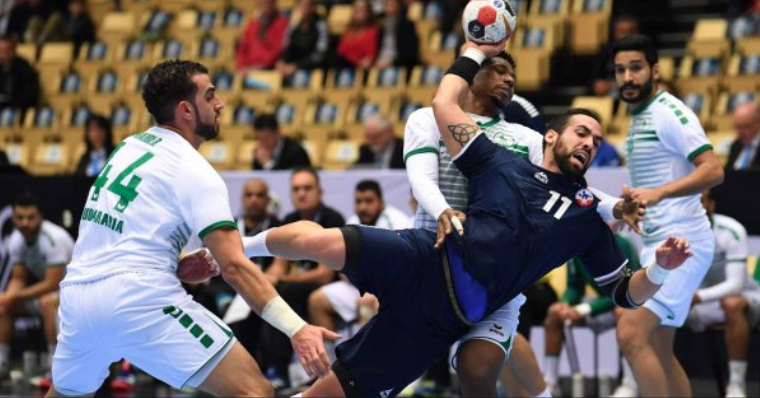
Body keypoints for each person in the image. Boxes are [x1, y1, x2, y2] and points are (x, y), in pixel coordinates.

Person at [241, 41, 693, 398]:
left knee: (475, 374)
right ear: (551, 136)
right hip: (428, 251)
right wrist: (474, 47)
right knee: (321, 243)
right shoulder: (499, 158)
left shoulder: (585, 218)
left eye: (597, 141)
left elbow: (624, 292)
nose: (591, 144)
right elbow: (443, 110)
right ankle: (235, 248)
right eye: (582, 132)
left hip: (474, 304)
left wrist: (657, 267)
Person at [46, 60, 338, 398]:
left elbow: (122, 233)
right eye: (210, 95)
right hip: (140, 299)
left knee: (65, 393)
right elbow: (234, 267)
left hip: (78, 298)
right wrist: (297, 328)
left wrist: (176, 259)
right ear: (186, 109)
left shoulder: (127, 147)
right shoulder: (194, 169)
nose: (220, 104)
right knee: (253, 391)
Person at [403, 50, 642, 398]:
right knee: (390, 351)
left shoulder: (524, 138)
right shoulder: (429, 118)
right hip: (432, 251)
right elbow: (420, 179)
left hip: (494, 266)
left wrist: (616, 208)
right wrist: (443, 211)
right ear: (473, 75)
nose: (509, 80)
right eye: (498, 71)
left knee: (484, 363)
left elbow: (570, 190)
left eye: (511, 76)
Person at [611, 34, 725, 398]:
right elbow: (658, 181)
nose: (627, 77)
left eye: (635, 68)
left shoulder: (669, 112)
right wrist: (635, 204)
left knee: (630, 334)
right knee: (659, 349)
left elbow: (713, 170)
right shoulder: (639, 116)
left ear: (655, 70)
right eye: (620, 70)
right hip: (658, 245)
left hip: (683, 244)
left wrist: (658, 194)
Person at [255, 167, 346, 389]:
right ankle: (261, 369)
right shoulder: (289, 220)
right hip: (296, 284)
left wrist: (283, 280)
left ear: (319, 192)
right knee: (258, 296)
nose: (301, 194)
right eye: (296, 189)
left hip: (327, 284)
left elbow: (326, 274)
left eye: (307, 188)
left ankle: (282, 368)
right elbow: (278, 265)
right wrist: (263, 282)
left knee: (286, 292)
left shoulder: (332, 218)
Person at [308, 180, 410, 358]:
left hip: (393, 289)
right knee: (317, 301)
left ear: (381, 202)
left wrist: (374, 290)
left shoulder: (397, 221)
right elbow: (341, 266)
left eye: (369, 201)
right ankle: (329, 366)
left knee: (368, 305)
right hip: (359, 285)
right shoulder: (352, 221)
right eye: (358, 201)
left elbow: (405, 267)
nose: (363, 207)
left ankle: (371, 367)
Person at [543, 232, 640, 397]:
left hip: (622, 307)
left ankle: (630, 386)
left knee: (623, 313)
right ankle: (550, 383)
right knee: (554, 313)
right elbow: (574, 286)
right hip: (595, 305)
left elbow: (628, 295)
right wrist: (565, 304)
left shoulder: (621, 244)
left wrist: (584, 310)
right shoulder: (576, 245)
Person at [685, 191, 760, 398]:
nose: (696, 208)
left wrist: (697, 297)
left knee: (732, 304)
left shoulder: (731, 230)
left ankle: (736, 386)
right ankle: (640, 385)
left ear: (711, 204)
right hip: (701, 303)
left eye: (701, 202)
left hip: (746, 297)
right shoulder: (675, 232)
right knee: (657, 312)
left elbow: (735, 285)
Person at [0, 192, 73, 386]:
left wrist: (13, 295)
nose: (25, 223)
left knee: (46, 302)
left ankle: (55, 367)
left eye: (30, 218)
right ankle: (2, 364)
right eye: (20, 218)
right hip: (50, 293)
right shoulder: (17, 239)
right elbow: (18, 278)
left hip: (73, 295)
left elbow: (52, 283)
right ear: (13, 218)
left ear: (40, 217)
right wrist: (7, 297)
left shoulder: (53, 238)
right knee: (5, 304)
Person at [276, 0, 329, 77]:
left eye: (307, 6)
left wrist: (297, 66)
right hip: (293, 67)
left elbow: (320, 54)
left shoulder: (321, 25)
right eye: (302, 5)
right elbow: (289, 49)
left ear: (313, 7)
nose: (304, 9)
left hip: (313, 68)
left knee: (300, 77)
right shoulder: (294, 27)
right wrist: (282, 61)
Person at [591, 15, 640, 97]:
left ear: (637, 32)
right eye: (622, 32)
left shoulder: (645, 50)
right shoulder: (606, 52)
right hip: (613, 91)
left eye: (630, 32)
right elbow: (595, 78)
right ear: (615, 34)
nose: (626, 36)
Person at [236, 0, 289, 70]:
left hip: (271, 71)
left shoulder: (283, 24)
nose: (265, 2)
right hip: (250, 71)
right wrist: (243, 67)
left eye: (268, 1)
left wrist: (261, 65)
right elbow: (243, 51)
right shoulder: (251, 26)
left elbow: (280, 49)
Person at [374, 0, 419, 70]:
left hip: (398, 65)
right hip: (379, 63)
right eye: (388, 4)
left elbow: (410, 53)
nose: (390, 7)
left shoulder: (407, 26)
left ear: (399, 7)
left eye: (393, 5)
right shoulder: (379, 26)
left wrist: (392, 62)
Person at [0, 35, 39, 112]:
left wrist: (10, 100)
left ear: (14, 50)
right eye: (2, 51)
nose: (5, 54)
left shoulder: (24, 68)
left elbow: (30, 95)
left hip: (19, 109)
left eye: (7, 50)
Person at [335, 0, 379, 69]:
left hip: (359, 68)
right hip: (344, 65)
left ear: (368, 12)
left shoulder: (373, 31)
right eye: (356, 9)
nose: (358, 13)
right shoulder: (348, 31)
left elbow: (370, 57)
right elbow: (340, 51)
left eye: (362, 10)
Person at [726, 102, 760, 171]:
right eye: (738, 127)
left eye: (746, 126)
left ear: (758, 123)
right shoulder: (735, 145)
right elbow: (728, 173)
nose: (741, 132)